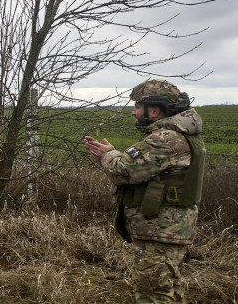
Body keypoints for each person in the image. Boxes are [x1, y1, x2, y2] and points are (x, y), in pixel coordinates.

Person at [84, 79, 206, 303]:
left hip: (159, 229)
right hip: (171, 228)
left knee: (153, 294)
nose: (133, 112)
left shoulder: (165, 139)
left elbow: (124, 171)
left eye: (138, 106)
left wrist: (106, 155)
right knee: (169, 288)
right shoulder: (181, 135)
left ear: (155, 110)